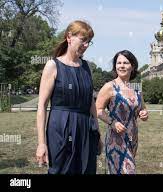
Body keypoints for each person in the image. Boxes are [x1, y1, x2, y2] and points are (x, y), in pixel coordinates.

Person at [35, 20, 101, 174]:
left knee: (86, 170)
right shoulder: (52, 66)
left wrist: (97, 133)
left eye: (89, 42)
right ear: (69, 37)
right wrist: (41, 143)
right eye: (83, 40)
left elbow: (91, 102)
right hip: (61, 128)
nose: (86, 45)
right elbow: (42, 106)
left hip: (86, 128)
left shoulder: (87, 68)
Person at [96, 50, 149, 174]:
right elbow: (98, 110)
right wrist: (112, 122)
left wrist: (144, 114)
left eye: (126, 63)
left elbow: (143, 109)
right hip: (116, 139)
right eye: (119, 63)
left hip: (133, 138)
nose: (122, 66)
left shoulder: (137, 88)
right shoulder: (109, 86)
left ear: (133, 66)